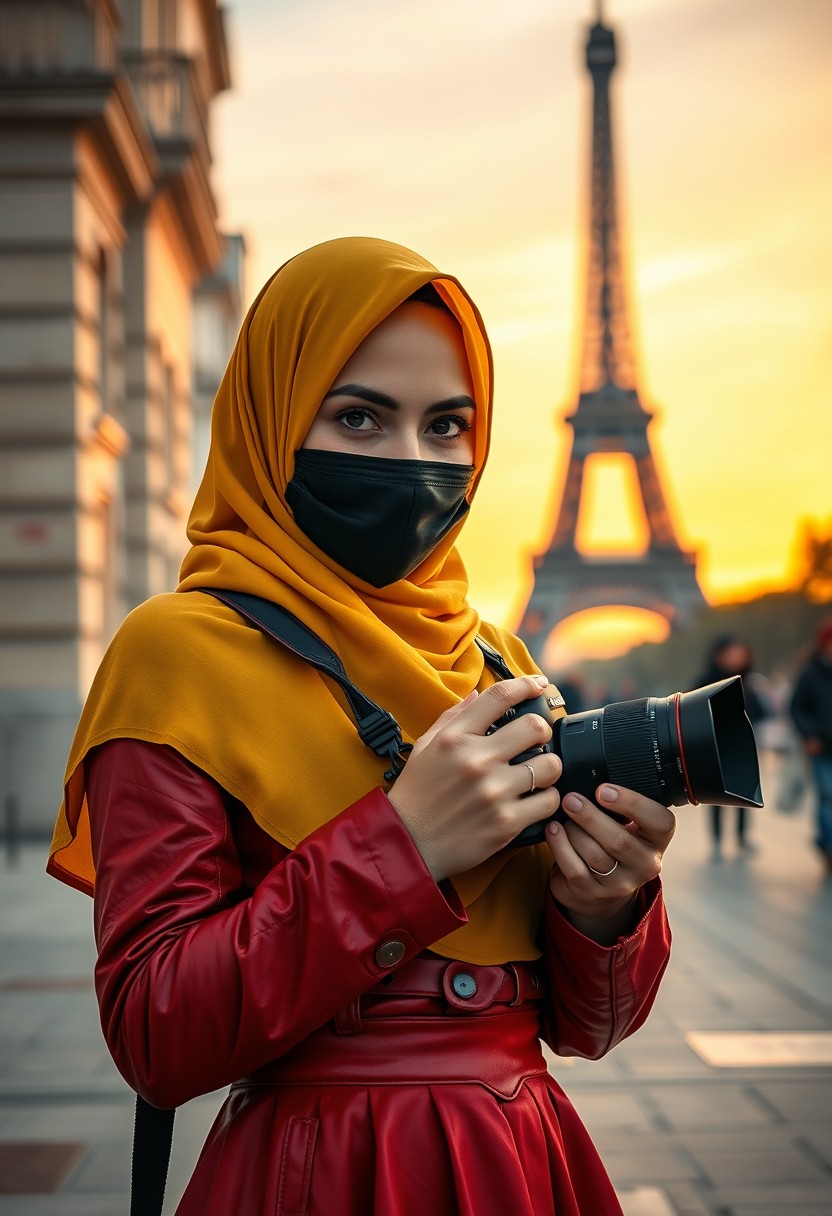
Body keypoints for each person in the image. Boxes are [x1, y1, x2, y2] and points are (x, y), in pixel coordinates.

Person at [47, 237, 674, 1216]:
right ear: (270, 418)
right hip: (319, 1174)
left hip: (519, 1158)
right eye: (357, 417)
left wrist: (607, 905)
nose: (412, 461)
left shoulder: (501, 660)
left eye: (447, 425)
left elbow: (589, 1031)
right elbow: (155, 1037)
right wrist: (404, 847)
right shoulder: (178, 652)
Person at [692, 635, 770, 859]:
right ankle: (717, 840)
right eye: (733, 653)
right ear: (720, 655)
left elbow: (757, 712)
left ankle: (741, 837)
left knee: (745, 792)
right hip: (713, 746)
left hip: (741, 747)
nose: (738, 658)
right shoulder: (706, 680)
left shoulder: (749, 682)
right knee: (715, 794)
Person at [789, 617, 832, 874]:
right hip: (822, 747)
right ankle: (828, 846)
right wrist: (810, 735)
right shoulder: (810, 673)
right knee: (827, 797)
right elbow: (796, 708)